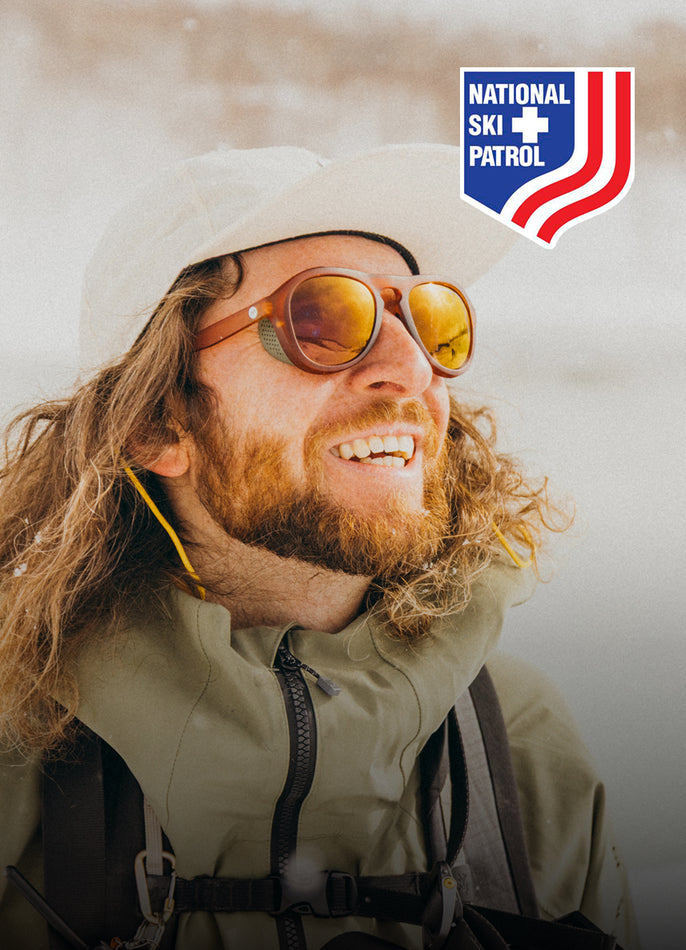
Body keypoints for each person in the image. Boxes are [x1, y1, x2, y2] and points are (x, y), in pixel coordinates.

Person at [0, 144, 639, 950]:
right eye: (326, 320)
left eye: (432, 322)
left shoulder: (520, 741)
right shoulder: (16, 749)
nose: (412, 371)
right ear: (155, 421)